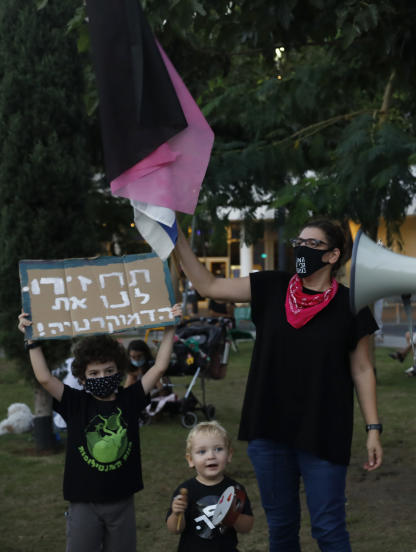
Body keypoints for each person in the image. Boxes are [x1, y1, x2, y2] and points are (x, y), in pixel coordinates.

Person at [173, 217, 383, 551]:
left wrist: (373, 428)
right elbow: (209, 286)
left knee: (329, 529)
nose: (301, 249)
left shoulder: (351, 305)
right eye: (298, 243)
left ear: (333, 255)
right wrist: (177, 237)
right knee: (281, 529)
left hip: (324, 430)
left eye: (312, 245)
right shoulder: (270, 286)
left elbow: (362, 370)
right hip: (269, 429)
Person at [18, 305, 179, 551]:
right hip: (83, 501)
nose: (102, 376)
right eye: (93, 373)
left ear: (120, 371)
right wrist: (32, 340)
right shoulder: (75, 402)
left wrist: (170, 327)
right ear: (82, 379)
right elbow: (44, 378)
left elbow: (158, 367)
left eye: (109, 371)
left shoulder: (130, 398)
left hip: (122, 499)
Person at [167, 420, 254, 550]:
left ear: (229, 455)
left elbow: (246, 528)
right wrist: (176, 514)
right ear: (191, 460)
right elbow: (174, 529)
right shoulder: (185, 490)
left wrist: (233, 516)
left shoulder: (236, 490)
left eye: (218, 449)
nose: (211, 456)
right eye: (202, 452)